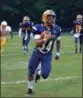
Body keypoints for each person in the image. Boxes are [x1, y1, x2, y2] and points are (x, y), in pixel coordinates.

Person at [27, 9, 61, 95]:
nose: (51, 20)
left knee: (45, 75)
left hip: (47, 54)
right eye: (49, 17)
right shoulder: (38, 27)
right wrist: (45, 38)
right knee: (31, 71)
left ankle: (39, 71)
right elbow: (37, 44)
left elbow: (58, 41)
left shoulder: (57, 29)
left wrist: (57, 53)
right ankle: (30, 88)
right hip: (37, 52)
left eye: (52, 18)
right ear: (44, 18)